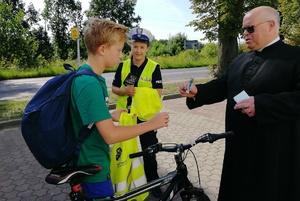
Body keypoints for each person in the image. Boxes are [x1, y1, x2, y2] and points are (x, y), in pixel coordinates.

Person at [179, 6, 300, 201]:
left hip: (273, 154)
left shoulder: (295, 57)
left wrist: (261, 105)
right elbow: (222, 85)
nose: (245, 33)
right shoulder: (240, 60)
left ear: (271, 25)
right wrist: (197, 92)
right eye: (243, 29)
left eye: (250, 28)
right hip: (238, 149)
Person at [69, 18, 169, 200]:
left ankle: (147, 181)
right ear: (102, 49)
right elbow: (111, 135)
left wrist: (108, 115)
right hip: (93, 165)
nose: (122, 54)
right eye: (119, 49)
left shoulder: (91, 78)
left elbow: (89, 117)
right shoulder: (89, 83)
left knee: (149, 152)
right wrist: (152, 123)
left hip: (97, 156)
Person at [111, 27, 164, 198]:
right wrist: (124, 91)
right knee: (125, 151)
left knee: (149, 151)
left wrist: (139, 92)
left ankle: (153, 181)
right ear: (131, 47)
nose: (138, 50)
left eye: (142, 47)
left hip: (145, 118)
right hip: (126, 117)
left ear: (147, 48)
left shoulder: (154, 67)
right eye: (135, 46)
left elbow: (159, 92)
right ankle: (124, 182)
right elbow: (114, 88)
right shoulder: (123, 66)